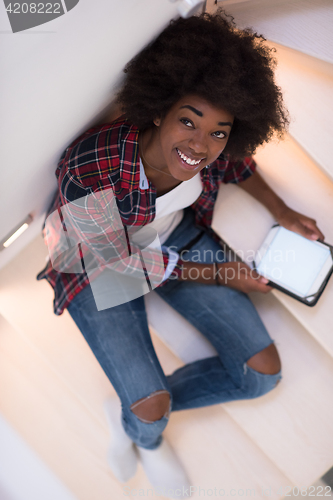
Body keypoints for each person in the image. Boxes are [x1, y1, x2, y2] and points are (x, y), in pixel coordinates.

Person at [37, 9, 324, 498]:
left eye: (218, 131)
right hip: (94, 263)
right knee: (151, 409)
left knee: (260, 375)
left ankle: (134, 404)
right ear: (159, 109)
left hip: (171, 239)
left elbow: (237, 164)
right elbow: (116, 266)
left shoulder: (213, 151)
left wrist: (284, 209)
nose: (200, 145)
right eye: (188, 121)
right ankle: (140, 425)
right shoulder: (92, 163)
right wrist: (220, 274)